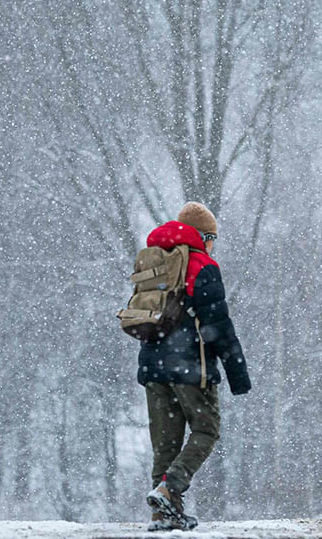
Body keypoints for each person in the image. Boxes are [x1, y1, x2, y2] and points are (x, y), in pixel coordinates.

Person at [139, 202, 250, 531]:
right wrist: (237, 373)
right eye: (212, 236)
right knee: (206, 430)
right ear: (203, 236)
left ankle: (163, 515)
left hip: (153, 367)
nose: (214, 243)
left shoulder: (156, 259)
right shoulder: (202, 266)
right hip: (190, 366)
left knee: (166, 442)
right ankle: (169, 487)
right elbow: (218, 325)